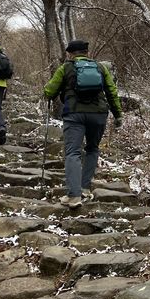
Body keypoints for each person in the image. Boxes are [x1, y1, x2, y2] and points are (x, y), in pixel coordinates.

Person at [43, 39, 123, 208]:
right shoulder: (100, 68)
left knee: (73, 152)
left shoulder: (66, 68)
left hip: (74, 115)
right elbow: (111, 91)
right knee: (93, 149)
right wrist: (118, 115)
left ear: (70, 54)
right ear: (87, 53)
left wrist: (48, 91)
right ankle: (85, 189)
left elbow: (50, 90)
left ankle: (74, 196)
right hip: (99, 114)